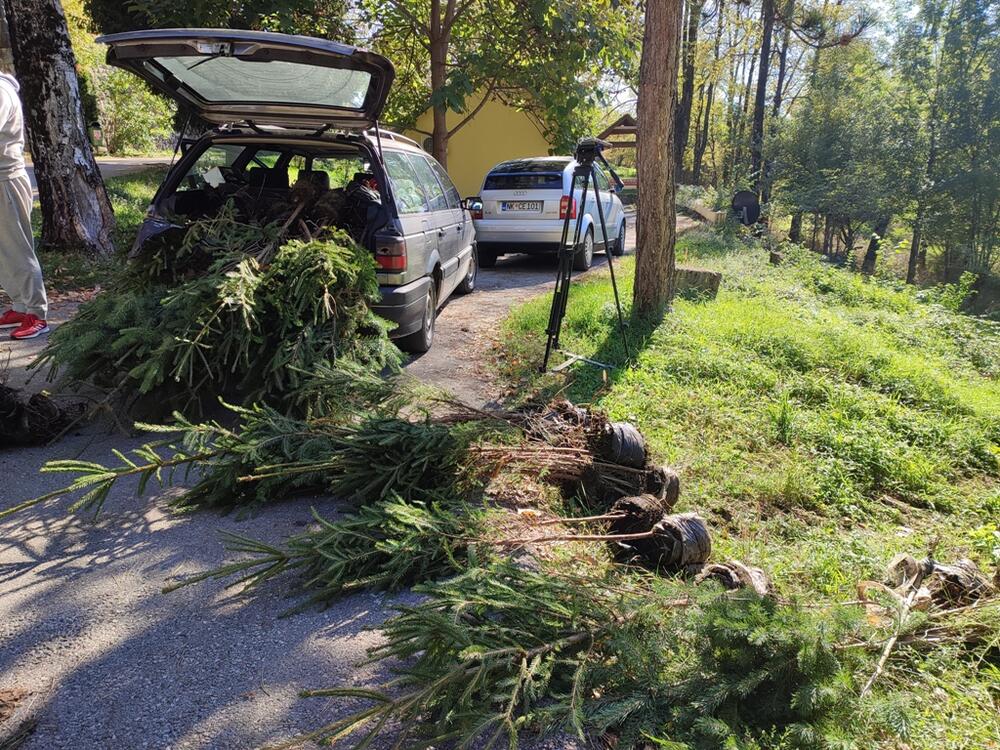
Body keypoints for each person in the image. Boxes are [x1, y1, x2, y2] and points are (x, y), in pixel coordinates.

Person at [0, 71, 48, 340]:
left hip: (5, 181)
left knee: (17, 250)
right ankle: (20, 305)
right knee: (2, 253)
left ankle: (37, 314)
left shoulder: (1, 92)